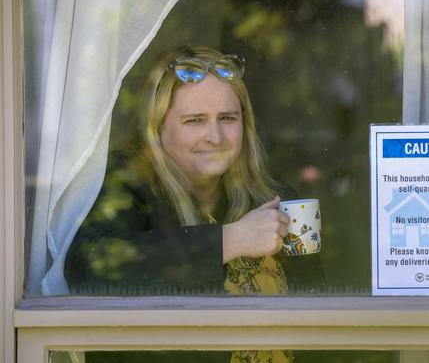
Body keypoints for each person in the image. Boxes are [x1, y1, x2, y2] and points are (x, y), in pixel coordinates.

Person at [64, 45, 325, 298]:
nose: (215, 136)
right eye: (195, 120)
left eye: (227, 118)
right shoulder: (127, 185)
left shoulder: (275, 199)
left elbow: (317, 320)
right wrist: (228, 241)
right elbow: (89, 269)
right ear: (156, 130)